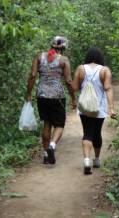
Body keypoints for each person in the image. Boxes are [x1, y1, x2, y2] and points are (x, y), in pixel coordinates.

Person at [26, 36, 76, 165]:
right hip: (57, 96)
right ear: (64, 48)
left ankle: (45, 155)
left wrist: (28, 94)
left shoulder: (39, 57)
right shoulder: (63, 60)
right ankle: (52, 146)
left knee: (47, 123)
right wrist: (74, 98)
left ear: (51, 45)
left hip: (41, 95)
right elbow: (69, 81)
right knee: (59, 124)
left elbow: (32, 75)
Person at [72, 47, 117, 174]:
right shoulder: (105, 70)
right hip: (99, 108)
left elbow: (74, 87)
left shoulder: (81, 69)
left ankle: (87, 160)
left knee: (87, 132)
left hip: (84, 107)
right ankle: (96, 160)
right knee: (97, 132)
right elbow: (108, 89)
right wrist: (111, 108)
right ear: (100, 58)